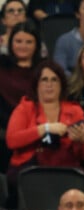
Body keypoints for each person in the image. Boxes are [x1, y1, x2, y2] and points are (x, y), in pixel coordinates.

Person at [5, 60, 84, 208]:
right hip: (30, 168)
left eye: (54, 80)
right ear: (37, 84)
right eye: (44, 79)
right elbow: (12, 140)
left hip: (66, 168)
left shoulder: (75, 110)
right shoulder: (25, 108)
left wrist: (79, 141)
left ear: (61, 84)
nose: (49, 84)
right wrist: (44, 129)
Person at [0, 20, 43, 173]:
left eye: (28, 42)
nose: (23, 46)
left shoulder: (44, 68)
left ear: (36, 44)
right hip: (4, 126)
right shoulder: (2, 64)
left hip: (37, 127)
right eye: (18, 41)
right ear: (11, 42)